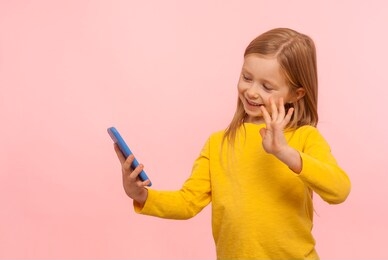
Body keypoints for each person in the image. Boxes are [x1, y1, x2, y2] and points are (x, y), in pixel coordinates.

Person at [113, 27, 351, 259]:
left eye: (267, 86)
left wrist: (285, 153)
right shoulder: (218, 143)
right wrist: (142, 196)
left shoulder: (304, 138)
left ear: (296, 94)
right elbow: (187, 202)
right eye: (247, 77)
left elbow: (339, 190)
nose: (252, 92)